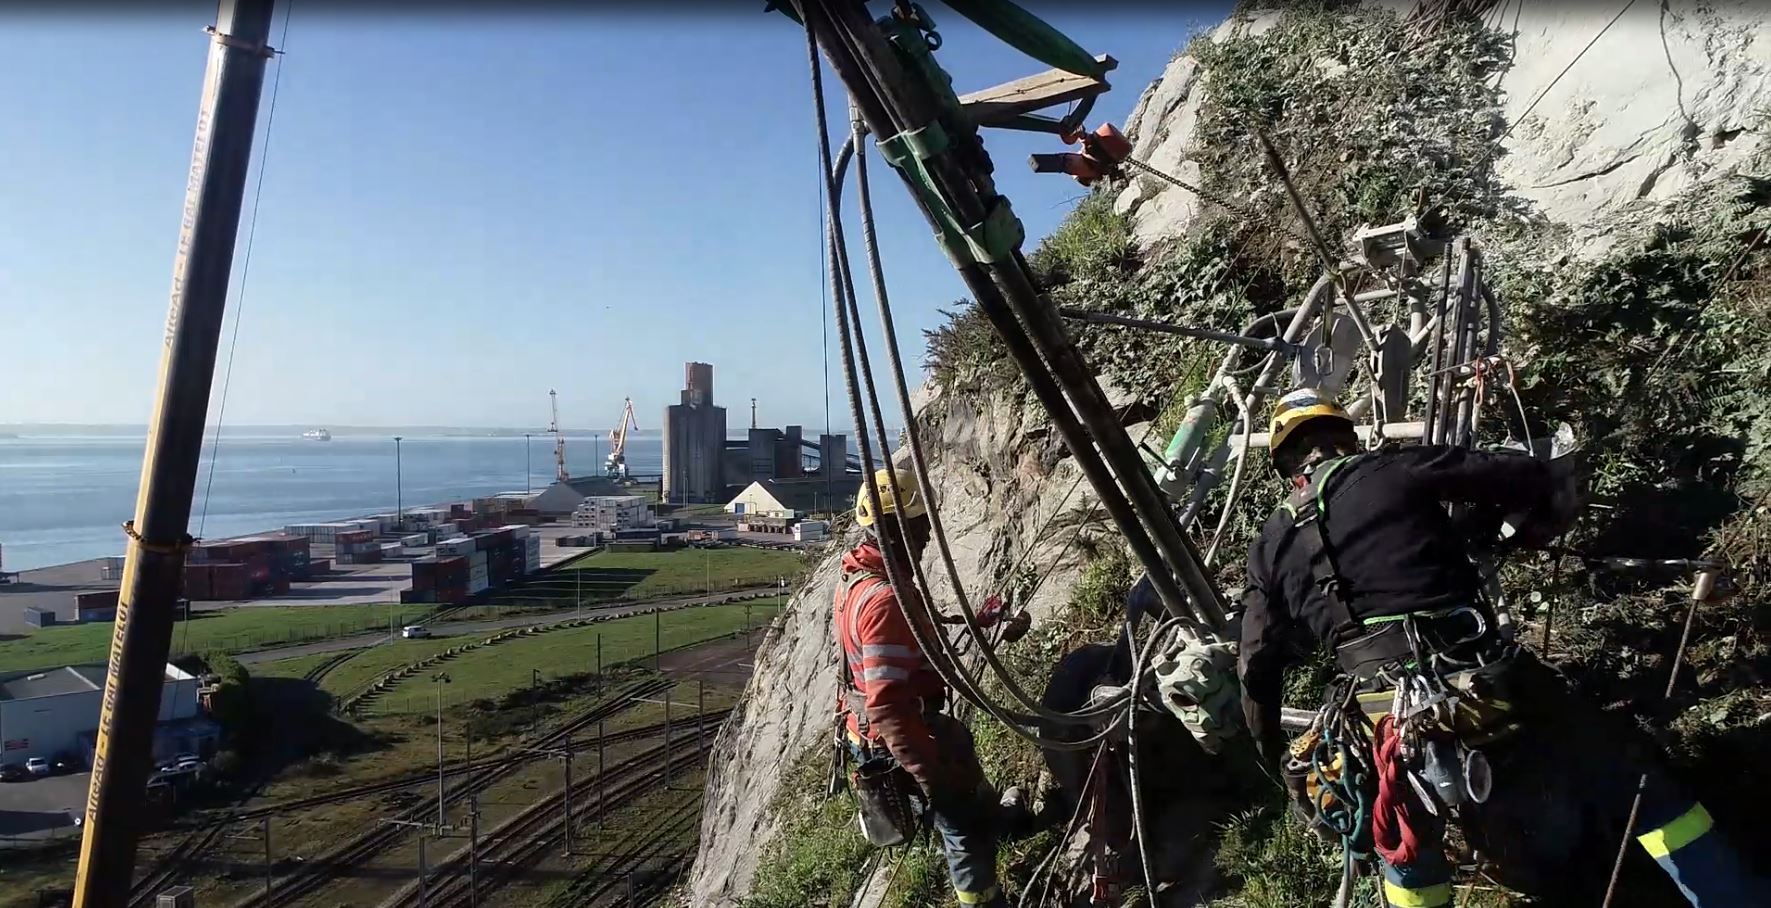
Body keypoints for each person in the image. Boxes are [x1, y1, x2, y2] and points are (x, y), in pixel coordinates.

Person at [1236, 387, 1763, 907]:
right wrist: (1486, 523)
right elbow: (1516, 474)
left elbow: (1256, 665)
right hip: (1480, 675)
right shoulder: (1393, 470)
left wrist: (1269, 753)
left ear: (1287, 466)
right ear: (1346, 439)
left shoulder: (1269, 546)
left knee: (1405, 848)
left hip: (1381, 717)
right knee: (1639, 782)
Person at [836, 467, 1006, 908]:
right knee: (958, 822)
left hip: (874, 730)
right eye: (920, 527)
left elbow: (906, 634)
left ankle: (994, 817)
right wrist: (931, 778)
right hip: (895, 735)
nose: (928, 536)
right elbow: (889, 708)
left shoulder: (859, 578)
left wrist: (975, 622)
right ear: (897, 532)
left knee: (960, 749)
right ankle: (981, 899)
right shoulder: (885, 600)